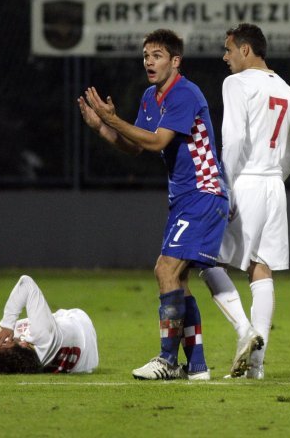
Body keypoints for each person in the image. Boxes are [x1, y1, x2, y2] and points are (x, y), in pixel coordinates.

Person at [78, 28, 228, 380]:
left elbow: (157, 140)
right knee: (178, 279)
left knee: (165, 270)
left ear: (175, 61)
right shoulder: (151, 96)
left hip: (204, 193)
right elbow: (137, 145)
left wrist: (114, 119)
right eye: (146, 55)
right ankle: (198, 366)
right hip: (185, 198)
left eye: (157, 55)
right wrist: (102, 128)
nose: (149, 61)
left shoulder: (185, 93)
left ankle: (168, 360)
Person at [199, 23, 290, 380]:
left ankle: (245, 331)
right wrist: (274, 175)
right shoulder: (286, 90)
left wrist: (223, 185)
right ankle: (254, 368)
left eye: (229, 50)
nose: (224, 57)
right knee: (261, 268)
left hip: (245, 182)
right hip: (275, 186)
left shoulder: (237, 83)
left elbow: (236, 137)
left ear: (246, 50)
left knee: (205, 259)